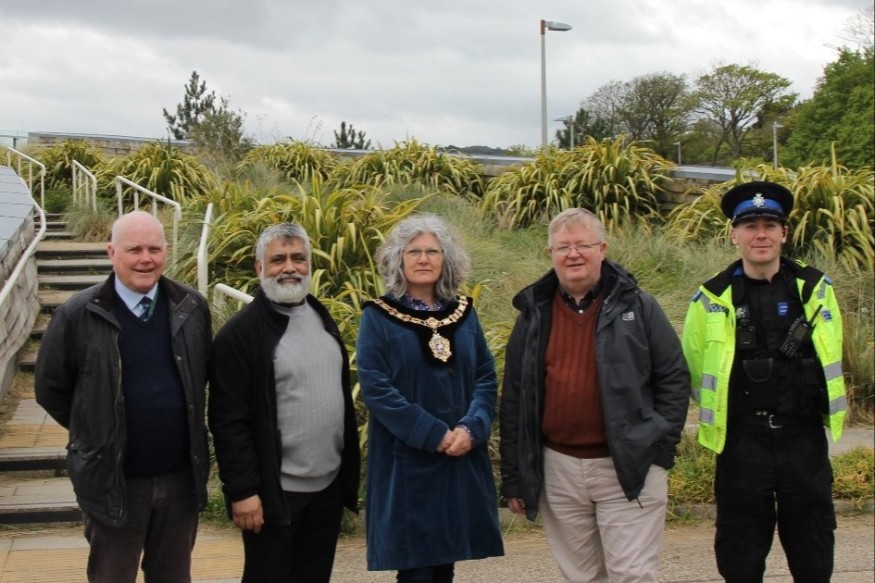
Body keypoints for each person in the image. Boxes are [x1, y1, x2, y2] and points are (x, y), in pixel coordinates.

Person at [499, 207, 690, 582]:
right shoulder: (533, 316)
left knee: (632, 575)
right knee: (582, 578)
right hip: (559, 470)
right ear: (550, 254)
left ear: (602, 249)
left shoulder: (639, 307)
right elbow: (515, 400)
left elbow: (674, 378)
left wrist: (659, 452)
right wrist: (515, 477)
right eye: (563, 247)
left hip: (629, 466)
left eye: (583, 245)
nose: (573, 254)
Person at [34, 210, 211, 582]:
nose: (146, 259)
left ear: (166, 251)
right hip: (113, 482)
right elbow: (50, 389)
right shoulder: (77, 315)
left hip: (179, 481)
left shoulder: (192, 307)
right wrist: (99, 429)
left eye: (154, 249)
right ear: (111, 252)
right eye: (134, 249)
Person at [682, 181, 846, 582]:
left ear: (784, 233)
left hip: (803, 441)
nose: (760, 234)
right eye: (750, 225)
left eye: (770, 225)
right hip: (742, 444)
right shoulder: (710, 298)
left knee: (814, 553)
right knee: (740, 556)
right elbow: (693, 367)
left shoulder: (817, 292)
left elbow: (833, 356)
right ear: (734, 234)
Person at [208, 223, 360, 583]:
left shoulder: (323, 318)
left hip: (326, 490)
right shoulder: (239, 335)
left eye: (298, 258)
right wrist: (243, 491)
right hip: (274, 496)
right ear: (259, 267)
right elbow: (228, 420)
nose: (289, 267)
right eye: (278, 259)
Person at [356, 214, 504, 582]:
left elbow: (486, 377)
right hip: (408, 465)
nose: (424, 259)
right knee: (418, 571)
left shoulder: (464, 314)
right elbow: (376, 388)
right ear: (398, 259)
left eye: (433, 251)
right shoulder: (378, 317)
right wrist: (432, 433)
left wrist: (472, 427)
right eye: (414, 251)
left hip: (459, 458)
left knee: (444, 567)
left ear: (446, 259)